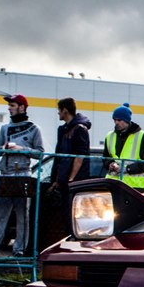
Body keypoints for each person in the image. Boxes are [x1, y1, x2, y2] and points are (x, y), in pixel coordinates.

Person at [0, 94, 43, 258]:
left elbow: (40, 153)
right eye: (9, 105)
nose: (9, 108)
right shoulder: (5, 128)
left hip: (23, 174)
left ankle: (19, 250)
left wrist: (20, 149)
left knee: (22, 216)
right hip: (6, 175)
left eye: (12, 105)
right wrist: (4, 148)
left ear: (22, 107)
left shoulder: (34, 129)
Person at [54, 97, 92, 229]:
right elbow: (59, 156)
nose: (58, 113)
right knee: (65, 215)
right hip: (64, 180)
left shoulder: (79, 129)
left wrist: (71, 179)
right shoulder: (63, 130)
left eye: (59, 110)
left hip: (73, 181)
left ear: (65, 110)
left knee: (72, 215)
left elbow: (80, 156)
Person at [103, 103, 144, 190]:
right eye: (114, 120)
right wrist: (110, 164)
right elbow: (105, 157)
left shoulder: (142, 136)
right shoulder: (110, 136)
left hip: (135, 187)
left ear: (127, 120)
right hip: (113, 184)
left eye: (119, 120)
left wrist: (127, 169)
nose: (116, 122)